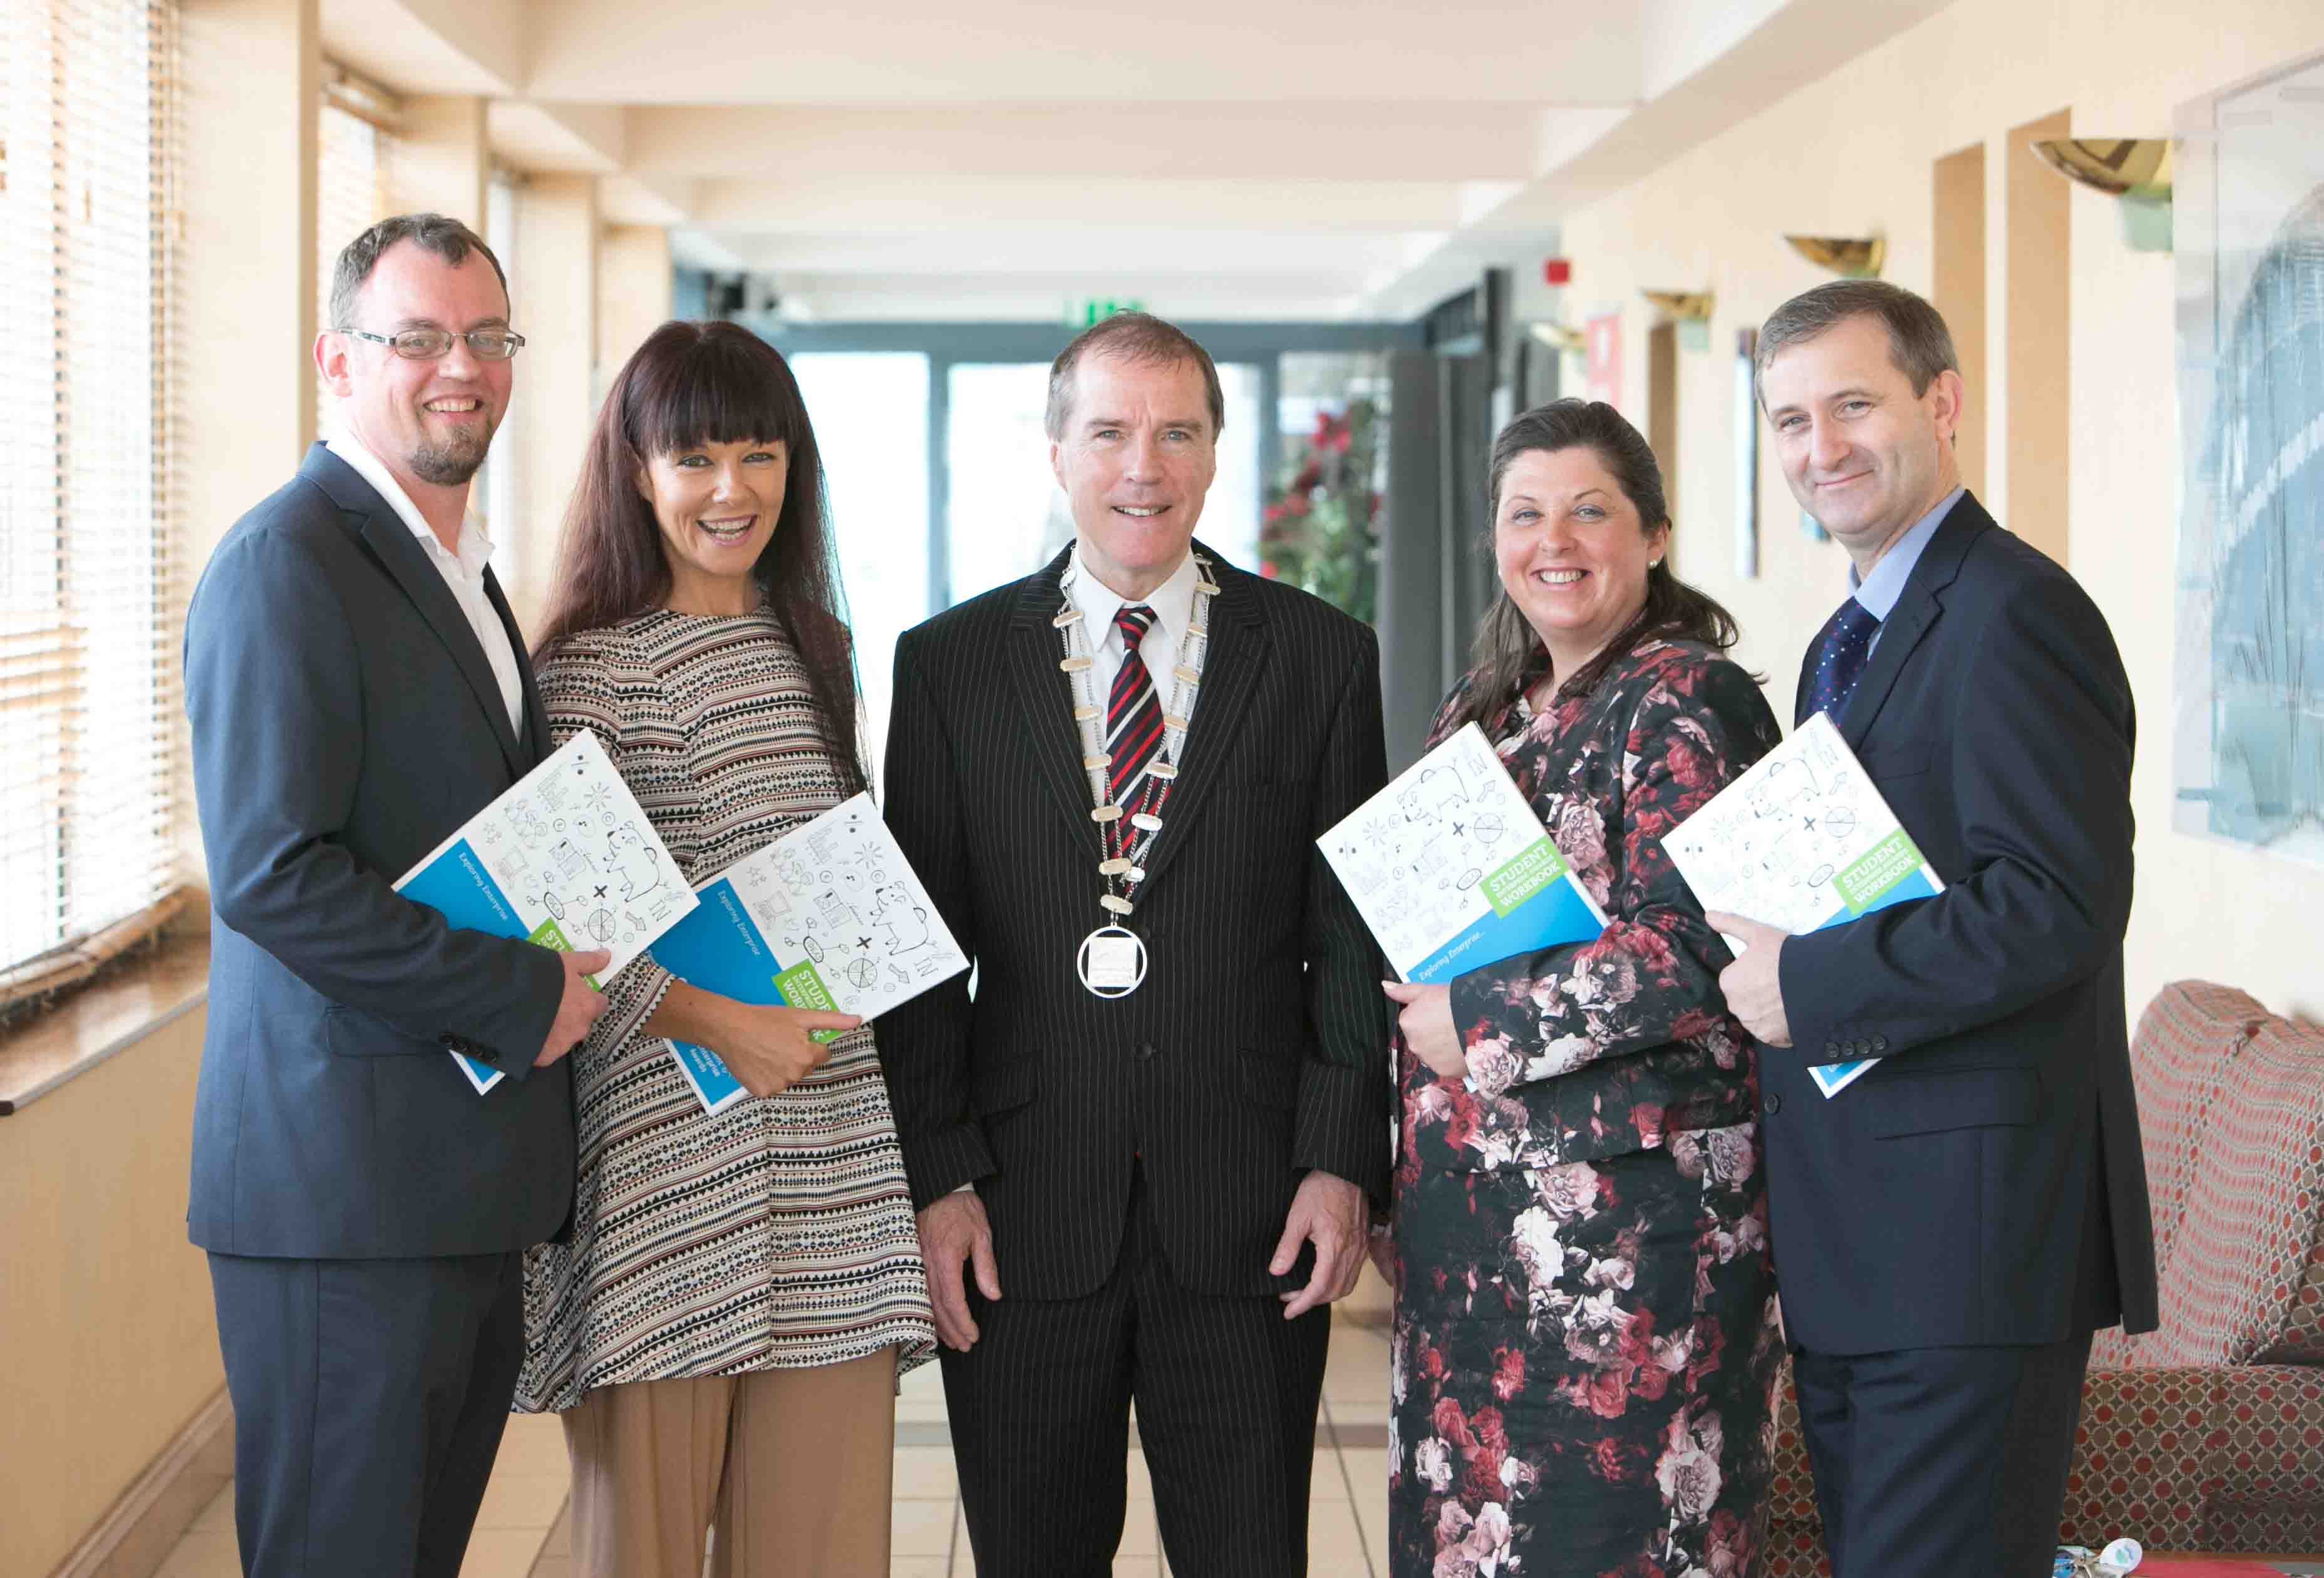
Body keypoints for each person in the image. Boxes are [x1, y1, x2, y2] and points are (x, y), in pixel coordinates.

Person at [878, 311, 1390, 1575]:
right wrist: (938, 1182)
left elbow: (1348, 944)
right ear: (1056, 451)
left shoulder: (1320, 658)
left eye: (1174, 432)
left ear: (1214, 453)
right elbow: (920, 959)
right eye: (1108, 431)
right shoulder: (948, 668)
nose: (1140, 467)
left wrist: (1337, 1164)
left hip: (1250, 1213)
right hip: (1018, 1211)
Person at [183, 213, 609, 1578]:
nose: (460, 368)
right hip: (343, 1199)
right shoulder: (287, 562)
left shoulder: (456, 571)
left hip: (452, 1185)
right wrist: (522, 993)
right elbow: (270, 871)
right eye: (417, 337)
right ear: (337, 358)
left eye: (487, 337)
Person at [1712, 279, 2157, 1578]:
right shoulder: (1844, 639)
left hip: (1968, 1247)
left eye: (1852, 405)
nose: (1820, 448)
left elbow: (2058, 904)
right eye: (1789, 420)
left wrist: (1808, 981)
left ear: (1942, 402)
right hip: (1868, 1239)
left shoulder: (2016, 612)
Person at [514, 319, 937, 1578]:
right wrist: (722, 1022)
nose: (731, 491)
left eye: (760, 456)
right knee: (636, 1546)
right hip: (660, 1168)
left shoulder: (817, 648)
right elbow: (564, 925)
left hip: (829, 1152)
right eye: (695, 459)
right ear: (635, 473)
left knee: (820, 1543)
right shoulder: (587, 671)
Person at [1377, 399, 1785, 1578]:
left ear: (1653, 534)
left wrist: (1481, 1021)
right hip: (1471, 1248)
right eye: (1526, 513)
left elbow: (1703, 949)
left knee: (1613, 1549)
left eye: (1590, 510)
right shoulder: (1491, 707)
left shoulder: (1687, 699)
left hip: (1628, 1256)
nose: (1554, 539)